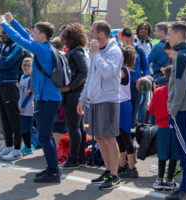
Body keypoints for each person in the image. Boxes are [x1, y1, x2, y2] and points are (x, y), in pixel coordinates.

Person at [0, 12, 61, 182]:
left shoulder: (41, 48)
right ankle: (52, 168)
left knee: (44, 136)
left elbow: (20, 39)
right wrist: (13, 21)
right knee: (46, 135)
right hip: (46, 98)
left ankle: (53, 171)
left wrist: (4, 24)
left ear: (42, 35)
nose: (31, 33)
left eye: (35, 32)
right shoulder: (44, 46)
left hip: (47, 99)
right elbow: (25, 36)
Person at [77, 20, 123, 190]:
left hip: (108, 100)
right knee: (99, 137)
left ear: (101, 35)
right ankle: (109, 170)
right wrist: (82, 98)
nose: (90, 33)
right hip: (95, 100)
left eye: (93, 31)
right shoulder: (96, 52)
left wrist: (95, 54)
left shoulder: (114, 51)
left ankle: (115, 176)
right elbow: (90, 77)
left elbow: (108, 73)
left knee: (109, 138)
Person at [165, 21, 186, 200]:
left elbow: (180, 85)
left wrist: (173, 109)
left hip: (182, 108)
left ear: (179, 35)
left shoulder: (181, 56)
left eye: (169, 34)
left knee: (184, 149)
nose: (167, 38)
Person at [0, 24, 23, 161]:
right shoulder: (0, 46)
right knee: (4, 117)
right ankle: (8, 146)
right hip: (0, 85)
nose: (3, 35)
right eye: (2, 32)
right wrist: (0, 63)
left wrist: (0, 63)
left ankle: (17, 149)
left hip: (10, 85)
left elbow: (8, 64)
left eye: (6, 32)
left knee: (13, 118)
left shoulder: (17, 46)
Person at [58, 23, 89, 168]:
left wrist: (68, 87)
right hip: (75, 93)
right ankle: (80, 157)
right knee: (79, 127)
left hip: (74, 93)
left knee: (73, 127)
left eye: (63, 35)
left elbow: (84, 72)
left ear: (70, 37)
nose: (61, 38)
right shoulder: (74, 50)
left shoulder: (76, 52)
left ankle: (74, 158)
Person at [149, 65, 179, 190]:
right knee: (173, 155)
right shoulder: (178, 91)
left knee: (162, 154)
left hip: (162, 127)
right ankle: (170, 181)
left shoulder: (157, 91)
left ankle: (159, 179)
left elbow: (151, 110)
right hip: (175, 126)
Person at [120, 27, 151, 127]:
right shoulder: (117, 50)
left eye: (131, 40)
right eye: (126, 40)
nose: (129, 43)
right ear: (121, 39)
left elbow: (146, 67)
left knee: (134, 111)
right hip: (121, 87)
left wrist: (146, 77)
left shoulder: (139, 50)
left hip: (135, 86)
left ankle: (130, 132)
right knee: (121, 113)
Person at [117, 46, 139, 178]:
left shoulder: (123, 69)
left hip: (123, 105)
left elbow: (113, 76)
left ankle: (132, 167)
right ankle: (122, 165)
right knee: (118, 137)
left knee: (125, 136)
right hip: (118, 105)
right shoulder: (122, 69)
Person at [18, 57, 35, 156]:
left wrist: (23, 106)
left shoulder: (30, 79)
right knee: (22, 128)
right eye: (24, 65)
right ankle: (27, 145)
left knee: (26, 130)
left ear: (32, 67)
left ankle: (28, 147)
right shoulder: (22, 77)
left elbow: (29, 96)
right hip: (21, 106)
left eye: (28, 65)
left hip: (28, 108)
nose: (26, 67)